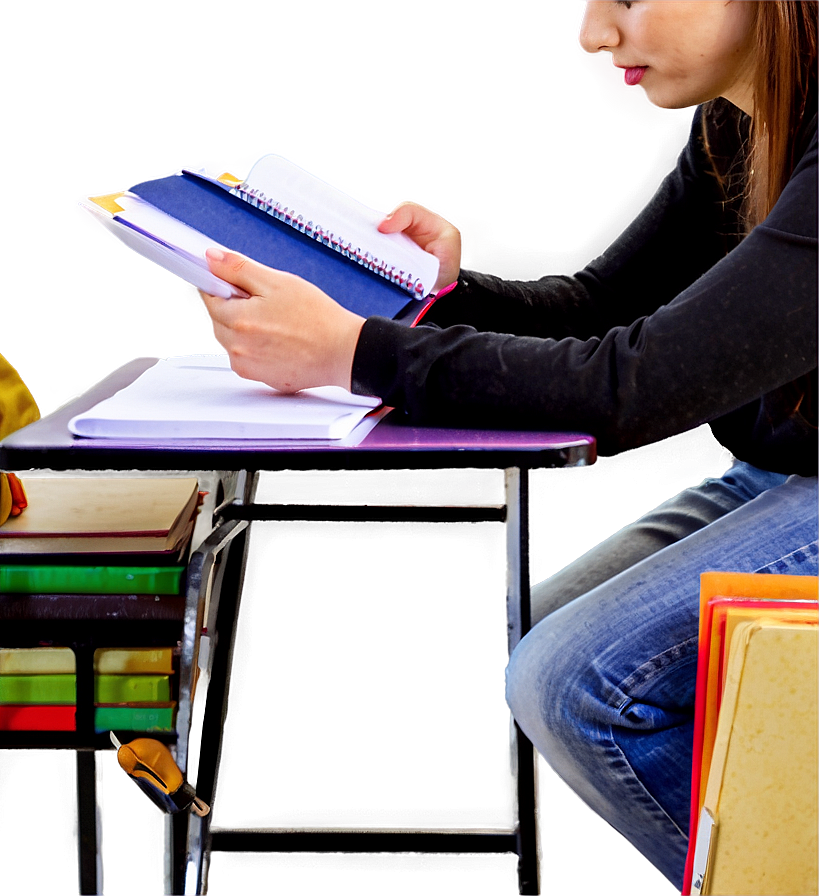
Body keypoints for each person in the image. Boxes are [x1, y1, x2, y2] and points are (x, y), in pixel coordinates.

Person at [198, 1, 817, 887]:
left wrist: (355, 354)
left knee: (578, 683)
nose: (594, 34)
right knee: (537, 632)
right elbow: (607, 307)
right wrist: (432, 295)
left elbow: (631, 387)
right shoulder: (736, 118)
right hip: (786, 470)